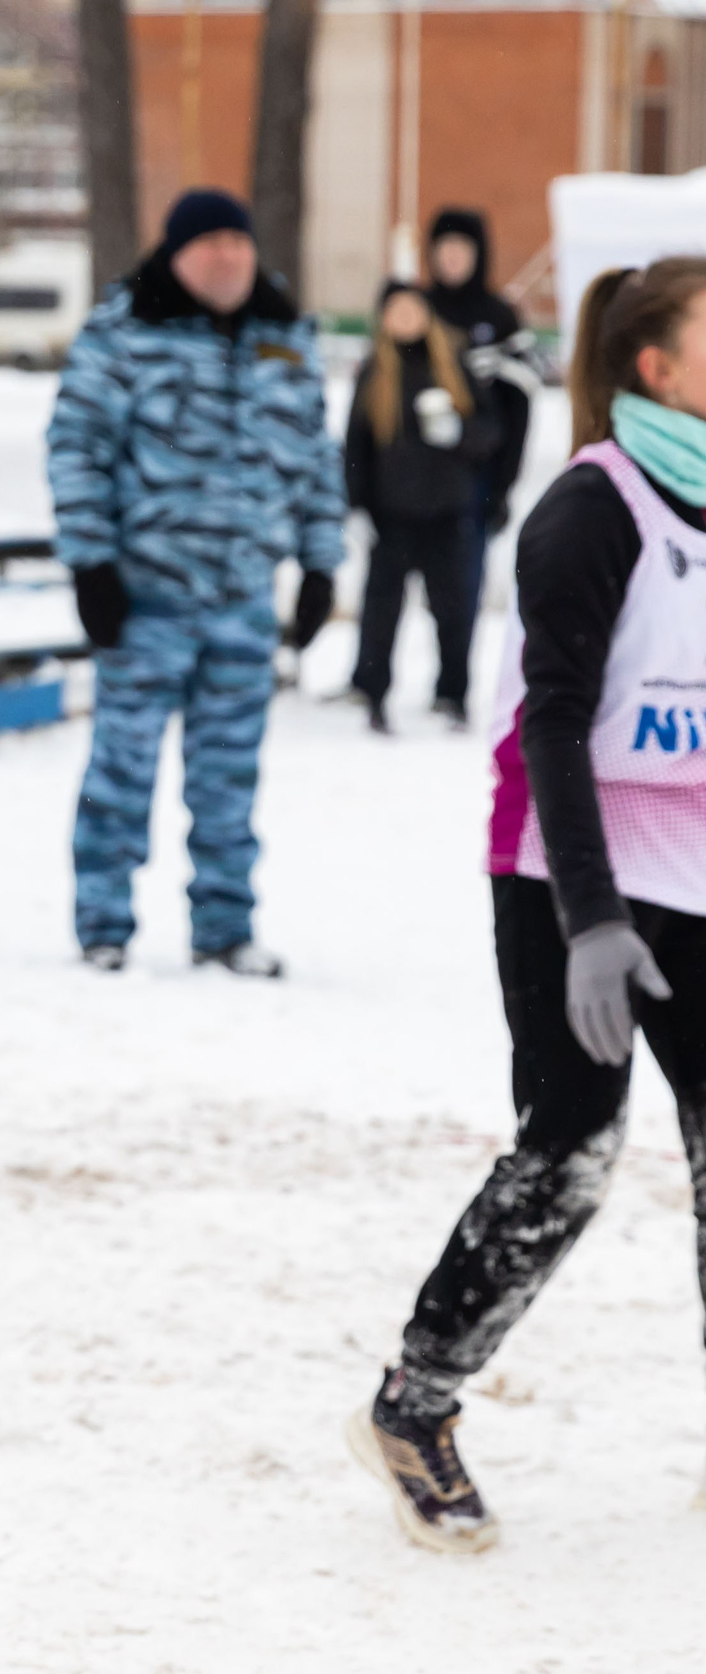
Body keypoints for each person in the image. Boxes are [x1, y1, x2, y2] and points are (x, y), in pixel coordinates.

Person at [351, 259, 706, 1554]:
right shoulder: (589, 507)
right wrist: (593, 921)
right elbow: (552, 723)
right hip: (567, 876)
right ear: (657, 367)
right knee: (572, 1147)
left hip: (694, 872)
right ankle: (412, 1405)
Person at [45, 188, 345, 977]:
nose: (228, 258)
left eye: (239, 243)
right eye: (210, 244)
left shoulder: (285, 339)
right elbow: (76, 448)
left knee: (229, 776)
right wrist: (90, 564)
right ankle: (102, 923)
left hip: (244, 601)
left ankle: (225, 926)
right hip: (145, 597)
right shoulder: (123, 334)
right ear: (175, 255)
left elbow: (317, 461)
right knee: (122, 770)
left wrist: (321, 564)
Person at [343, 280, 504, 733]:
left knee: (454, 610)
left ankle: (453, 694)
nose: (406, 319)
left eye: (413, 310)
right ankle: (372, 692)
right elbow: (356, 445)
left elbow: (490, 432)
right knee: (381, 611)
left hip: (448, 512)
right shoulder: (376, 372)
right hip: (391, 515)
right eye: (396, 311)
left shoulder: (453, 365)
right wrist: (356, 505)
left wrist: (459, 433)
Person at [424, 207, 541, 612]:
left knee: (461, 592)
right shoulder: (417, 311)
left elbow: (520, 406)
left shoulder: (500, 317)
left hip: (477, 478)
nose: (452, 257)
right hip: (413, 482)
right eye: (444, 247)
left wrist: (504, 485)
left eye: (462, 248)